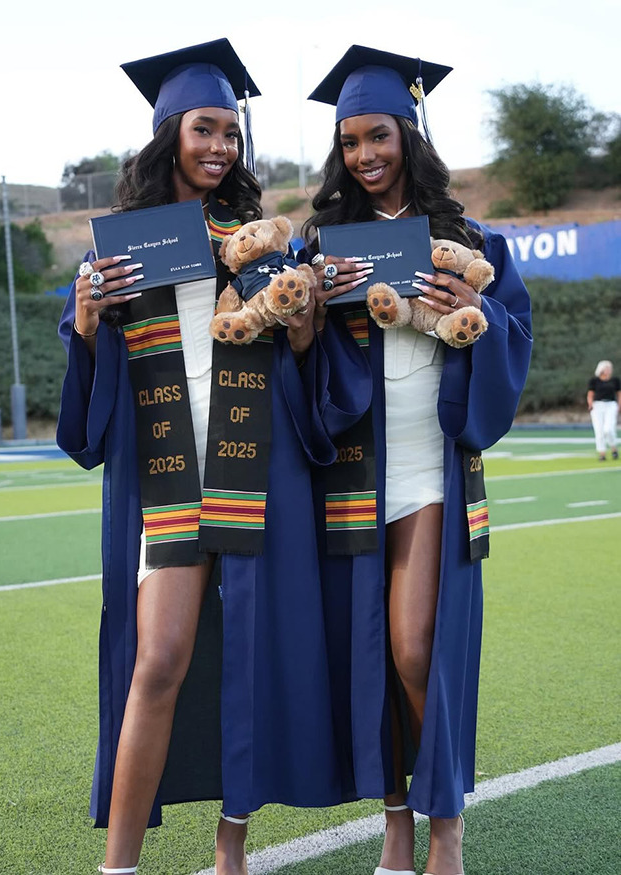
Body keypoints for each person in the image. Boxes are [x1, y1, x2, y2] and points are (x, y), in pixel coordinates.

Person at [56, 39, 375, 875]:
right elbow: (87, 419)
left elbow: (313, 374)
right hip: (166, 478)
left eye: (230, 133)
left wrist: (304, 327)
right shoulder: (118, 251)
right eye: (204, 129)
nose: (219, 148)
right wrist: (87, 322)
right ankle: (117, 865)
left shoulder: (267, 244)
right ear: (168, 133)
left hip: (252, 467)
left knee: (249, 651)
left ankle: (231, 852)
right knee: (158, 660)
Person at [301, 46, 533, 875]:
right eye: (351, 142)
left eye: (379, 137)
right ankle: (398, 824)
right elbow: (299, 366)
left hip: (433, 464)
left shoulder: (465, 235)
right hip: (356, 471)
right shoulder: (321, 241)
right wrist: (307, 315)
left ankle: (447, 827)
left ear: (408, 134)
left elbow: (512, 336)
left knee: (414, 644)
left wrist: (478, 310)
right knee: (371, 654)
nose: (365, 156)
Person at [586, 360, 620, 461]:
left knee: (608, 429)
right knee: (599, 430)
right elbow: (590, 394)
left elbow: (619, 393)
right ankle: (602, 453)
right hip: (598, 405)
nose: (609, 370)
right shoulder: (594, 381)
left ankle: (613, 447)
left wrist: (619, 405)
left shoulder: (615, 380)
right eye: (607, 368)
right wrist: (590, 404)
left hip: (611, 404)